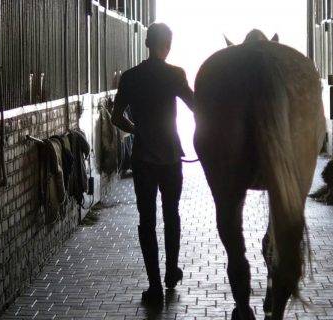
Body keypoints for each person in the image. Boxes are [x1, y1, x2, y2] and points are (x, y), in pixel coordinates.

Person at [111, 22, 194, 307]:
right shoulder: (175, 74)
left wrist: (137, 129)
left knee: (146, 220)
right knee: (172, 214)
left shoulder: (130, 77)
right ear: (168, 45)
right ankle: (172, 271)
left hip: (144, 157)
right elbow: (196, 106)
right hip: (171, 155)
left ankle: (155, 286)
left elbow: (116, 117)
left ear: (147, 43)